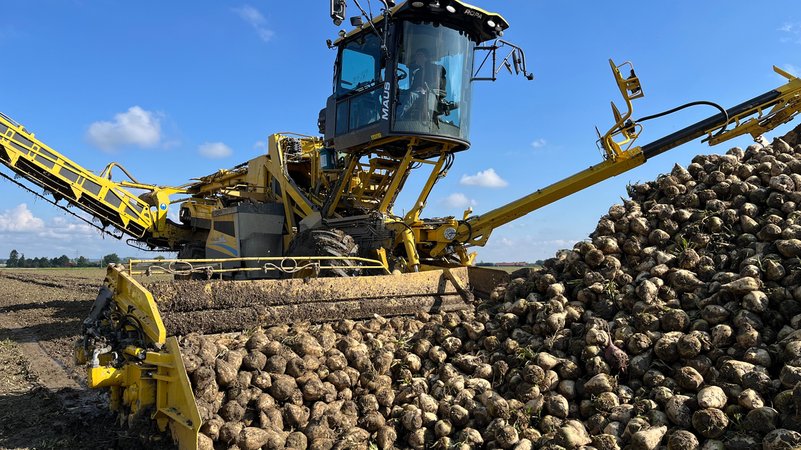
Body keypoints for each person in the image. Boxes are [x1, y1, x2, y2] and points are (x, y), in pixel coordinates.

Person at [399, 48, 446, 120]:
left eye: (419, 55)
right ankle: (392, 119)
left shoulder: (434, 68)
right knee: (399, 97)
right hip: (417, 93)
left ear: (426, 57)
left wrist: (425, 89)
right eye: (416, 55)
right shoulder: (418, 72)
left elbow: (438, 83)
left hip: (429, 94)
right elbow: (412, 88)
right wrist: (400, 91)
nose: (416, 57)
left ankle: (399, 119)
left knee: (411, 95)